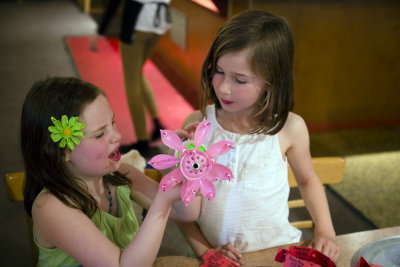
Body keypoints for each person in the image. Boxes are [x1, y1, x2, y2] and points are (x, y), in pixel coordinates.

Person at [176, 10, 341, 265]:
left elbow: (307, 180)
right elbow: (179, 208)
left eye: (240, 80)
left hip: (275, 254)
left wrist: (325, 231)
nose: (223, 87)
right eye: (218, 71)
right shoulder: (197, 126)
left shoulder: (289, 128)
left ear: (271, 82)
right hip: (211, 257)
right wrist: (204, 250)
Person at [20, 77, 191, 267]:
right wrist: (162, 201)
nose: (117, 136)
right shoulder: (51, 207)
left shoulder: (122, 174)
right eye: (100, 134)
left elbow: (184, 213)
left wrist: (186, 165)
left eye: (113, 122)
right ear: (61, 152)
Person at [90, 0, 172, 155]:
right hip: (159, 23)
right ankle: (157, 123)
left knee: (132, 81)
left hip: (138, 23)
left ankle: (143, 143)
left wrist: (101, 30)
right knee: (137, 73)